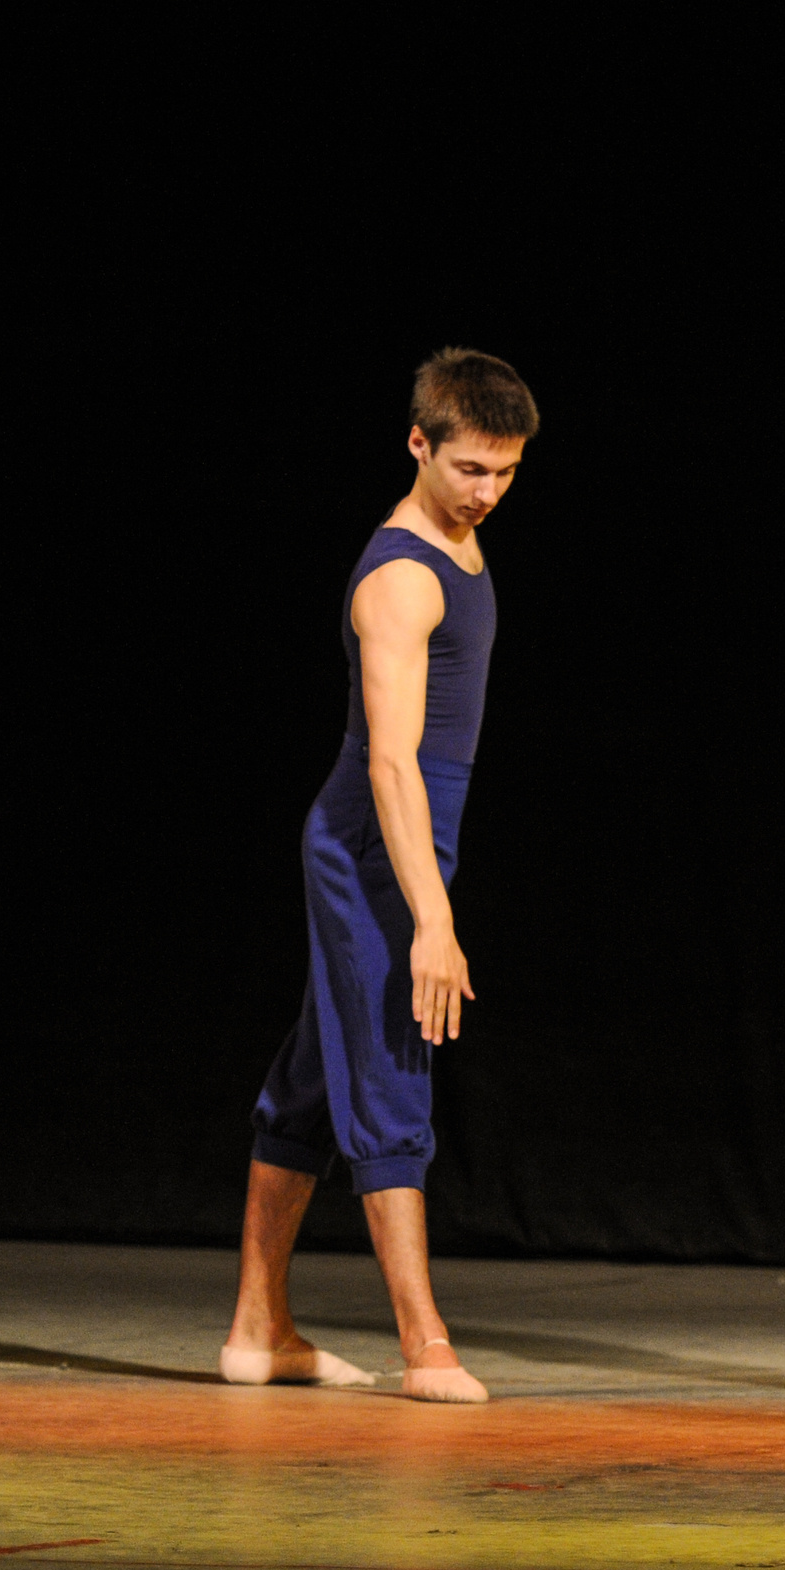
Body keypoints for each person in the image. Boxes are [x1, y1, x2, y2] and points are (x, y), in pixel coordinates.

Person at [221, 348, 539, 1405]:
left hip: (409, 835)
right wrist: (431, 918)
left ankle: (259, 1332)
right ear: (419, 442)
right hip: (375, 841)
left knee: (315, 1080)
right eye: (468, 470)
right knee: (397, 1059)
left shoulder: (463, 546)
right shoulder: (403, 574)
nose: (485, 492)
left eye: (504, 471)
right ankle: (425, 1342)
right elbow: (392, 762)